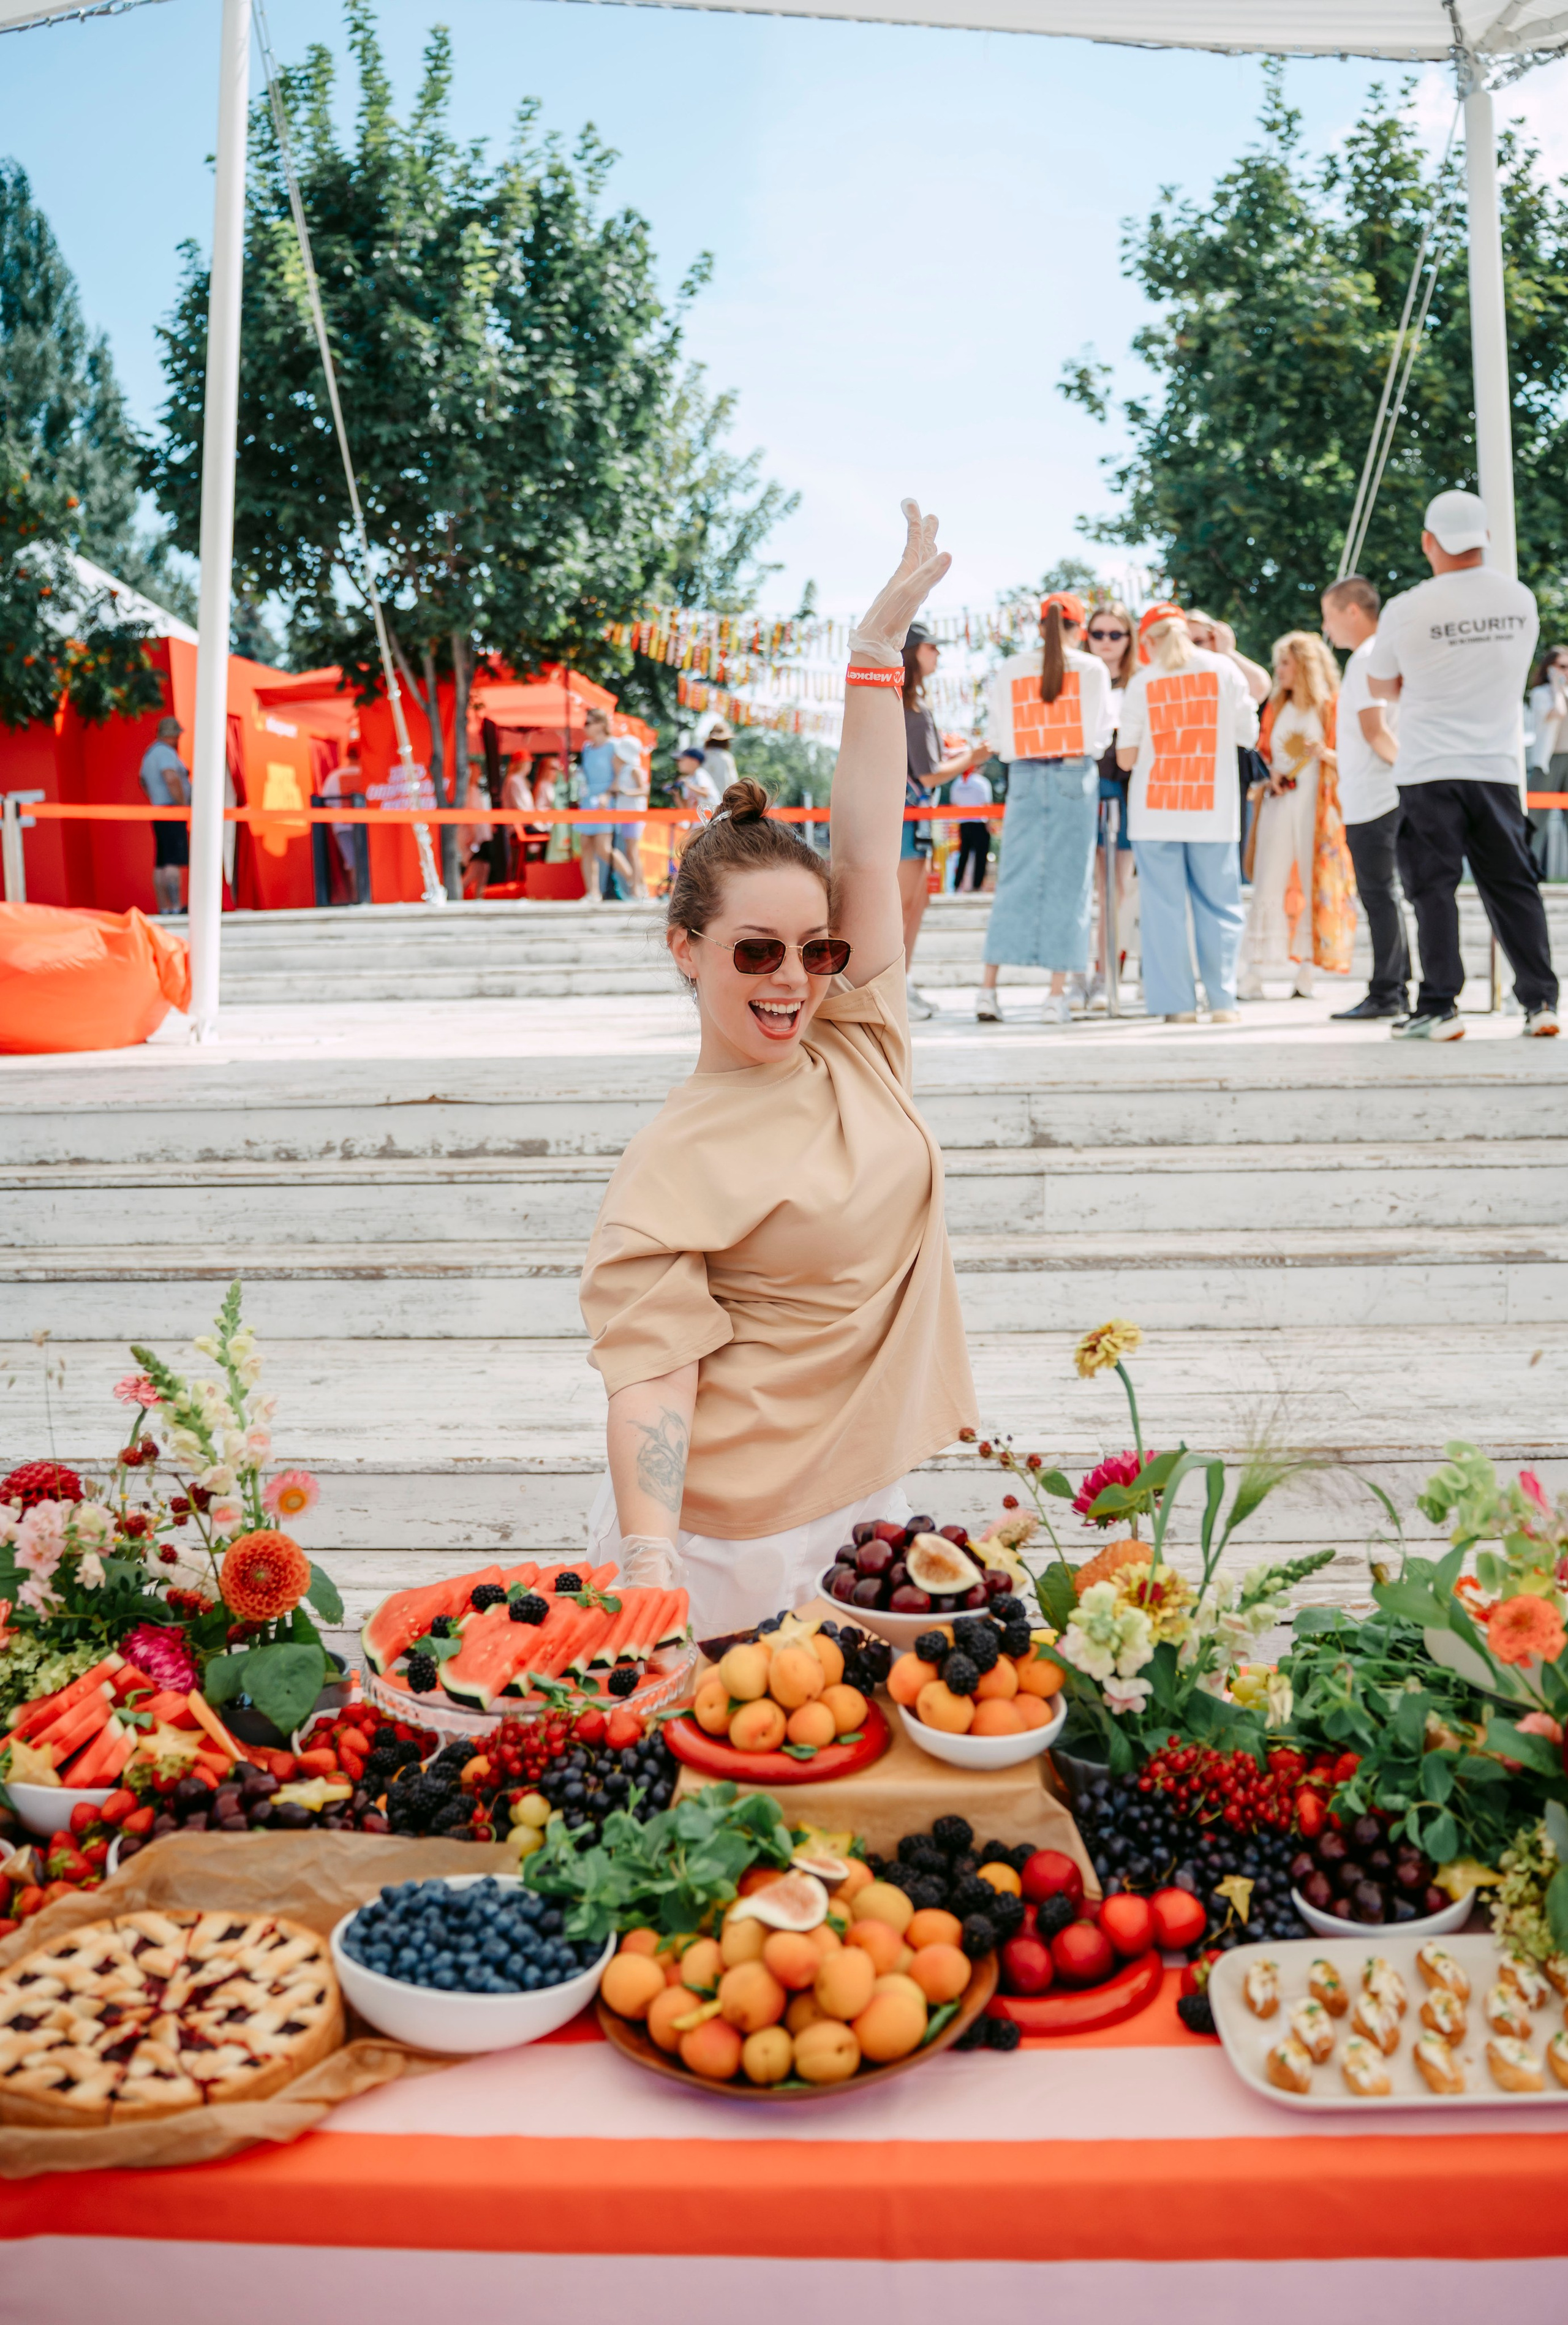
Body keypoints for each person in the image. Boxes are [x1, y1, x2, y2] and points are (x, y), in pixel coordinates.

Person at [577, 503, 976, 1639]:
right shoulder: (672, 1157)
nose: (793, 979)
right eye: (757, 950)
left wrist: (874, 657)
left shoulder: (858, 1040)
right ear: (686, 950)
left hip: (869, 1512)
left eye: (818, 949)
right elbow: (653, 1374)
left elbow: (863, 841)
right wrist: (652, 1554)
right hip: (723, 1547)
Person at [1368, 488, 1558, 1039]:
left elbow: (1383, 685)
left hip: (1428, 765)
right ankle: (1540, 1002)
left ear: (1429, 541)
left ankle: (1439, 1006)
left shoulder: (1409, 606)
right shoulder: (1519, 600)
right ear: (1486, 540)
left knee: (1433, 888)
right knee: (1513, 884)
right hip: (1496, 766)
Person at [1117, 604, 1258, 1023]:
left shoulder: (1143, 682)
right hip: (1213, 809)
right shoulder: (1223, 671)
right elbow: (1248, 735)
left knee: (1163, 910)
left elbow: (1125, 759)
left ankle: (1177, 1006)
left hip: (1155, 811)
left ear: (1149, 642)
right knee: (1221, 907)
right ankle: (1223, 1003)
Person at [974, 593, 1111, 1025]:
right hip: (1075, 773)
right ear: (1080, 628)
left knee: (1013, 879)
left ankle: (988, 990)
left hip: (1027, 776)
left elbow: (996, 738)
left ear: (1039, 626)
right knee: (1072, 885)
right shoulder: (1093, 669)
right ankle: (1056, 996)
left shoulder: (1012, 668)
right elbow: (1102, 734)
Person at [1237, 630, 1355, 1001]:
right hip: (1279, 802)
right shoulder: (1276, 705)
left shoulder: (1330, 707)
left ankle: (1306, 970)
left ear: (1304, 665)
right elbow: (1263, 753)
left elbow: (1350, 758)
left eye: (1286, 663)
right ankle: (1253, 971)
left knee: (1310, 879)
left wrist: (1324, 755)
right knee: (1269, 879)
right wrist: (1270, 773)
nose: (1280, 670)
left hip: (1316, 807)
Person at [1321, 576, 1410, 1020]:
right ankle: (1396, 988)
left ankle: (1387, 992)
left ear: (1353, 610)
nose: (1326, 628)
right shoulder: (1383, 654)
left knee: (1379, 896)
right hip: (1383, 791)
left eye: (1329, 616)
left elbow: (1376, 732)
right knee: (1387, 894)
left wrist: (1409, 772)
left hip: (1376, 796)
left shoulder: (1366, 658)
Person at [900, 621, 990, 1019]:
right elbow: (929, 774)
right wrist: (972, 758)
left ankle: (901, 982)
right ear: (915, 651)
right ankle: (895, 985)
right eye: (931, 648)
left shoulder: (908, 706)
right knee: (906, 905)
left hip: (913, 816)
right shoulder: (911, 710)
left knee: (917, 902)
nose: (937, 654)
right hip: (907, 816)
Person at [1084, 597, 1137, 1008]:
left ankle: (1109, 973)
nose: (1105, 641)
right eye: (1097, 633)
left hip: (1130, 792)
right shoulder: (1079, 677)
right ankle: (1083, 975)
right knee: (1093, 888)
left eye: (1114, 634)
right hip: (1087, 788)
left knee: (1118, 887)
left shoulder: (1140, 680)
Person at [577, 707, 640, 903]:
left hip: (606, 801)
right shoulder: (586, 748)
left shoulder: (614, 746)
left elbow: (620, 775)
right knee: (586, 846)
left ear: (601, 725)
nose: (584, 727)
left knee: (603, 848)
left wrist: (607, 795)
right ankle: (592, 892)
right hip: (587, 800)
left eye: (588, 723)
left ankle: (635, 882)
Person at [138, 714, 190, 916]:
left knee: (161, 862)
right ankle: (176, 907)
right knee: (172, 862)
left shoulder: (149, 753)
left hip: (158, 811)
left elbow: (142, 780)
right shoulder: (166, 754)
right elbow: (171, 778)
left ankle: (165, 908)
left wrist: (154, 797)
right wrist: (182, 804)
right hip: (172, 811)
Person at [1527, 644, 1568, 881]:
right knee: (1536, 822)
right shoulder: (1542, 694)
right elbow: (1558, 713)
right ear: (1550, 668)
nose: (1566, 671)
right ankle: (1529, 870)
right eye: (1562, 667)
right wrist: (1556, 686)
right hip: (1549, 763)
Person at [1186, 611, 1272, 703]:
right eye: (1184, 644)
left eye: (1198, 642)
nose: (1191, 650)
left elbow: (1259, 690)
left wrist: (1227, 652)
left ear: (1216, 638)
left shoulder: (1225, 670)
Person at [948, 757, 993, 891]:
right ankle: (977, 885)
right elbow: (987, 805)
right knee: (981, 856)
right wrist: (989, 825)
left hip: (964, 823)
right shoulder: (982, 783)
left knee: (964, 856)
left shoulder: (958, 783)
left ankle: (957, 884)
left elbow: (954, 803)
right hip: (980, 823)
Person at [701, 720, 740, 796]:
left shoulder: (703, 755)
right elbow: (732, 781)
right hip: (720, 800)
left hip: (702, 800)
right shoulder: (726, 758)